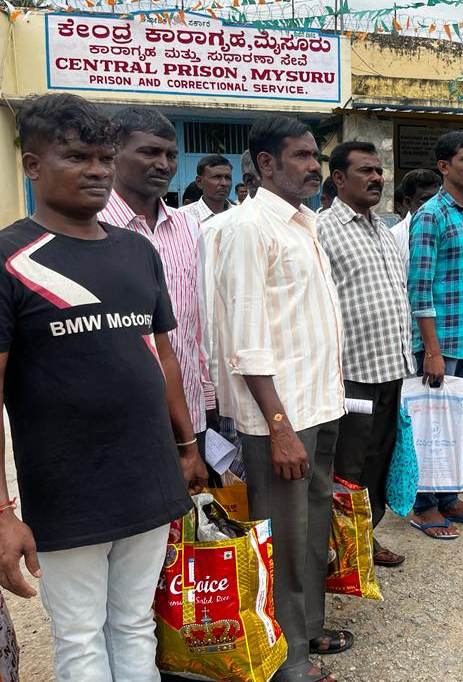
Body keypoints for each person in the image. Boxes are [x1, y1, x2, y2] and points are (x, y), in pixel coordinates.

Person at [0, 92, 205, 681]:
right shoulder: (10, 258)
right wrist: (2, 514)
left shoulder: (136, 251)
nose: (96, 170)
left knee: (136, 623)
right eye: (77, 157)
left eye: (103, 158)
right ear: (33, 166)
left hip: (147, 476)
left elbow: (164, 358)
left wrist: (187, 448)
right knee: (82, 638)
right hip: (67, 489)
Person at [211, 115, 349, 681]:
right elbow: (246, 340)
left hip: (320, 405)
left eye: (316, 155)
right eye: (300, 156)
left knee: (314, 526)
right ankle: (286, 664)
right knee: (284, 541)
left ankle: (309, 629)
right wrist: (279, 425)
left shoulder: (305, 224)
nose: (314, 166)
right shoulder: (249, 227)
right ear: (265, 164)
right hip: (282, 417)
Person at [317, 141, 414, 568]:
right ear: (339, 178)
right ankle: (341, 552)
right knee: (348, 469)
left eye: (379, 170)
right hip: (352, 374)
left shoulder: (385, 230)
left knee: (379, 464)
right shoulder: (321, 230)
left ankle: (365, 539)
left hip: (392, 369)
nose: (377, 178)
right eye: (365, 171)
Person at [97, 108, 211, 465]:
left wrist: (208, 400)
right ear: (114, 153)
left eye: (171, 155)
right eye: (149, 152)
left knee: (193, 518)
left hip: (190, 411)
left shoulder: (189, 228)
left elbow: (198, 323)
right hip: (119, 418)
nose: (163, 164)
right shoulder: (90, 227)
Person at [407, 131, 463, 539]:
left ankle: (448, 496)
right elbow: (420, 290)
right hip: (440, 345)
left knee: (455, 424)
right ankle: (423, 505)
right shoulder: (431, 216)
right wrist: (432, 351)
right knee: (430, 428)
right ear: (444, 167)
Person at [390, 168, 441, 272]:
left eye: (437, 198)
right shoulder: (394, 238)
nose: (434, 204)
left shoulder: (451, 230)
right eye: (426, 199)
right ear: (408, 202)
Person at [181, 153, 234, 223]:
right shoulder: (183, 217)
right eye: (217, 177)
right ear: (199, 182)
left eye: (228, 178)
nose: (224, 183)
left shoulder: (242, 214)